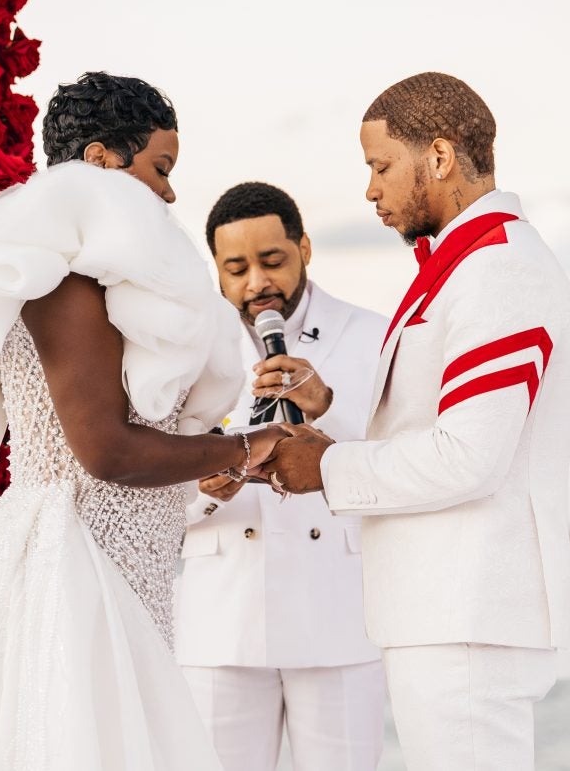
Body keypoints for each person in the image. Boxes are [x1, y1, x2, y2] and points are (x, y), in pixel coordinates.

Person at [0, 72, 285, 770]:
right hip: (71, 569)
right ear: (99, 163)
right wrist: (243, 447)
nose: (171, 194)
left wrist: (208, 462)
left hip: (120, 573)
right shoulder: (60, 281)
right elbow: (106, 451)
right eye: (159, 168)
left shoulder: (101, 285)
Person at [263, 72, 570, 770]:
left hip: (466, 614)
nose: (370, 190)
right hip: (443, 612)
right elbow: (429, 423)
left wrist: (325, 466)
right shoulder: (464, 266)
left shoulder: (501, 271)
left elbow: (469, 455)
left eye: (380, 166)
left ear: (438, 157)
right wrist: (329, 410)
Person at [175, 182, 386, 771]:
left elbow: (407, 459)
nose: (256, 285)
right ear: (216, 272)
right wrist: (203, 490)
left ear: (305, 249)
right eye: (236, 268)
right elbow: (152, 473)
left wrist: (328, 407)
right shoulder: (186, 347)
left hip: (338, 612)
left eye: (272, 261)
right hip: (222, 618)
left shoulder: (373, 335)